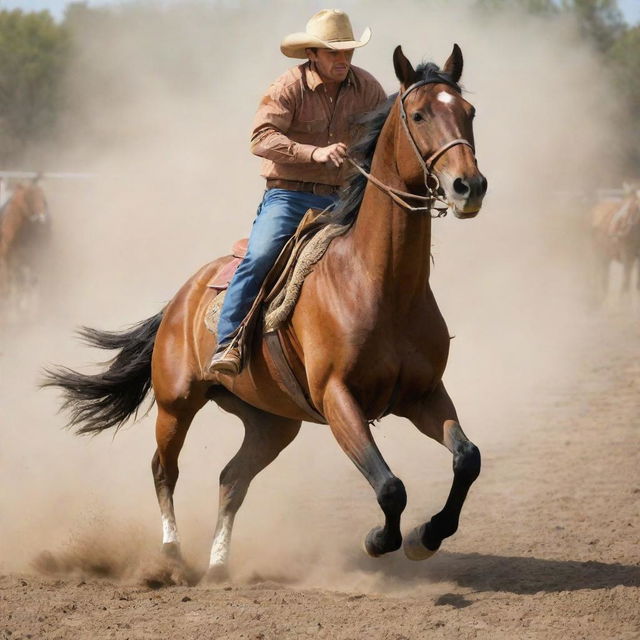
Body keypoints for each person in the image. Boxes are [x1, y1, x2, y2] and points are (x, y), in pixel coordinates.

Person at [209, 9, 387, 375]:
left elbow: (387, 137)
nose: (343, 59)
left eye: (348, 51)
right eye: (333, 52)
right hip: (289, 196)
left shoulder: (368, 88)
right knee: (260, 257)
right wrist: (314, 153)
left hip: (346, 197)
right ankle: (229, 342)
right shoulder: (287, 87)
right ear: (313, 54)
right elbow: (261, 139)